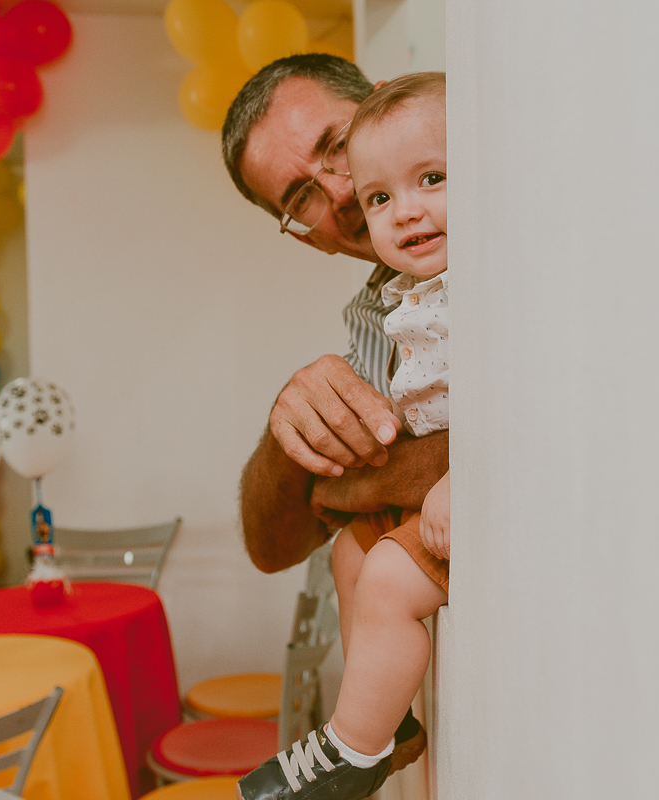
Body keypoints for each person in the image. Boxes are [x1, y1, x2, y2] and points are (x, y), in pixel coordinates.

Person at [222, 55, 449, 775]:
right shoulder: (369, 320)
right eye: (301, 197)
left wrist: (361, 486)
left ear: (382, 106)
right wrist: (286, 426)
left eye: (335, 143)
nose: (341, 192)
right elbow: (270, 547)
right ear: (303, 234)